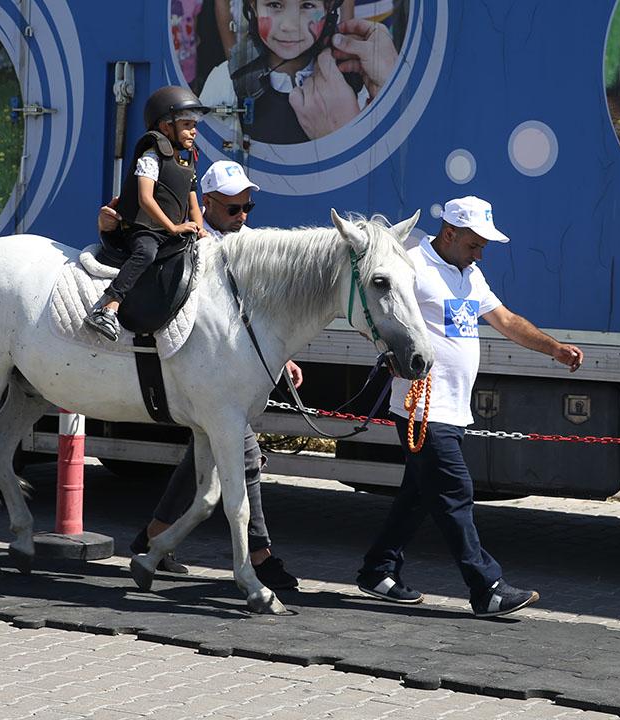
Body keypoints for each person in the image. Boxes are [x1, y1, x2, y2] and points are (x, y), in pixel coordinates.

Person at [355, 196, 585, 619]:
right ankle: (487, 587)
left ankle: (377, 570)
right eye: (475, 244)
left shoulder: (470, 274)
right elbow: (378, 310)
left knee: (419, 496)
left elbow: (508, 321)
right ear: (449, 233)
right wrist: (386, 351)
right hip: (421, 405)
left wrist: (553, 349)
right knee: (455, 492)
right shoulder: (411, 263)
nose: (481, 253)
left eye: (484, 246)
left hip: (453, 407)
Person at [97, 160, 302, 591]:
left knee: (206, 457)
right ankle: (259, 556)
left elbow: (264, 315)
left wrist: (281, 358)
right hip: (195, 369)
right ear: (206, 204)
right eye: (233, 209)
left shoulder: (251, 246)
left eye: (248, 206)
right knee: (241, 454)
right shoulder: (188, 239)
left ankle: (154, 537)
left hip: (234, 371)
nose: (243, 216)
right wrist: (109, 229)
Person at [85, 86, 210, 341]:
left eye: (194, 125)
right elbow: (145, 199)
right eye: (186, 124)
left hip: (169, 232)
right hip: (144, 230)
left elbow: (193, 203)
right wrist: (174, 228)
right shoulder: (151, 157)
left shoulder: (187, 163)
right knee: (146, 253)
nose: (193, 131)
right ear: (165, 127)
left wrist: (200, 229)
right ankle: (109, 306)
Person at [199, 0, 398, 143]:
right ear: (253, 6)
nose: (290, 25)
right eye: (275, 5)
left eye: (307, 5)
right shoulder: (226, 82)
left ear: (329, 8)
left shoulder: (354, 84)